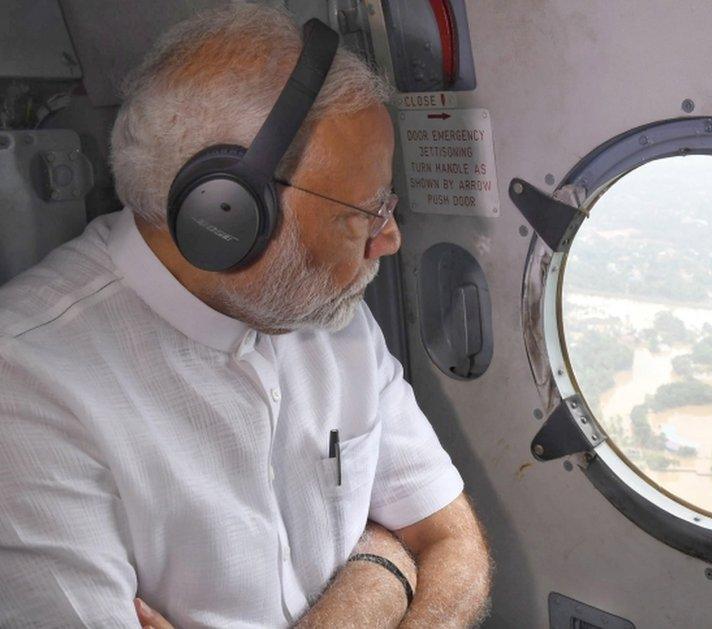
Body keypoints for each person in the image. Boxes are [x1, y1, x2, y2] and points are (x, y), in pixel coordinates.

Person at [0, 3, 491, 627]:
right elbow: (412, 537)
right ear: (227, 213)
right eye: (364, 212)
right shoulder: (23, 389)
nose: (389, 240)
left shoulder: (327, 311)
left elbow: (450, 539)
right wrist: (386, 557)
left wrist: (381, 571)